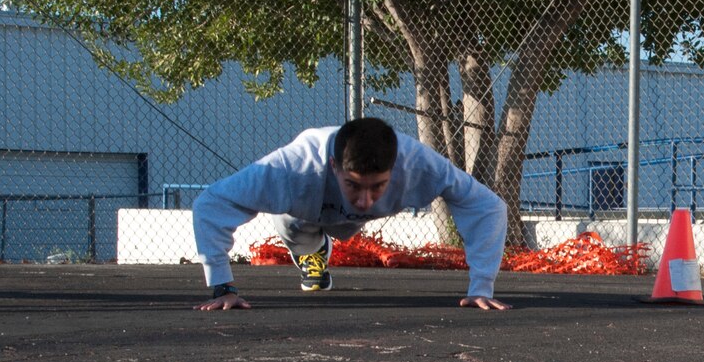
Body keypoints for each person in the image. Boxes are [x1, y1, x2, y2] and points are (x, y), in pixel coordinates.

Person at [190, 117, 511, 311]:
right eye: (354, 186)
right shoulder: (289, 167)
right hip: (302, 211)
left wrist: (481, 286)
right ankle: (311, 252)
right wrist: (223, 287)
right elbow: (211, 204)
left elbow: (488, 206)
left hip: (345, 219)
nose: (365, 200)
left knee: (352, 216)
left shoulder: (419, 163)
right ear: (334, 167)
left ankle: (327, 237)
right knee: (294, 226)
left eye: (378, 186)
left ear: (396, 169)